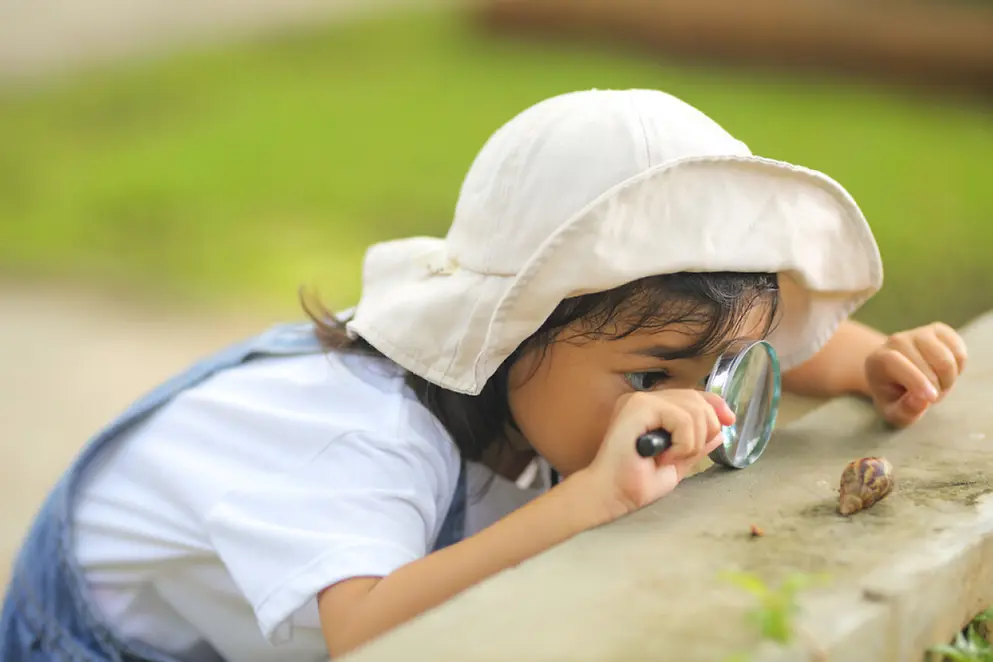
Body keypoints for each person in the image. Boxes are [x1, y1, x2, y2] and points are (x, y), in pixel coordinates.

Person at [0, 88, 968, 662]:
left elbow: (777, 351)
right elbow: (367, 630)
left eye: (726, 363)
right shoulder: (361, 440)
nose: (702, 401)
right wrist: (583, 498)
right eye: (654, 371)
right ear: (504, 334)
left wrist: (870, 363)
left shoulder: (545, 383)